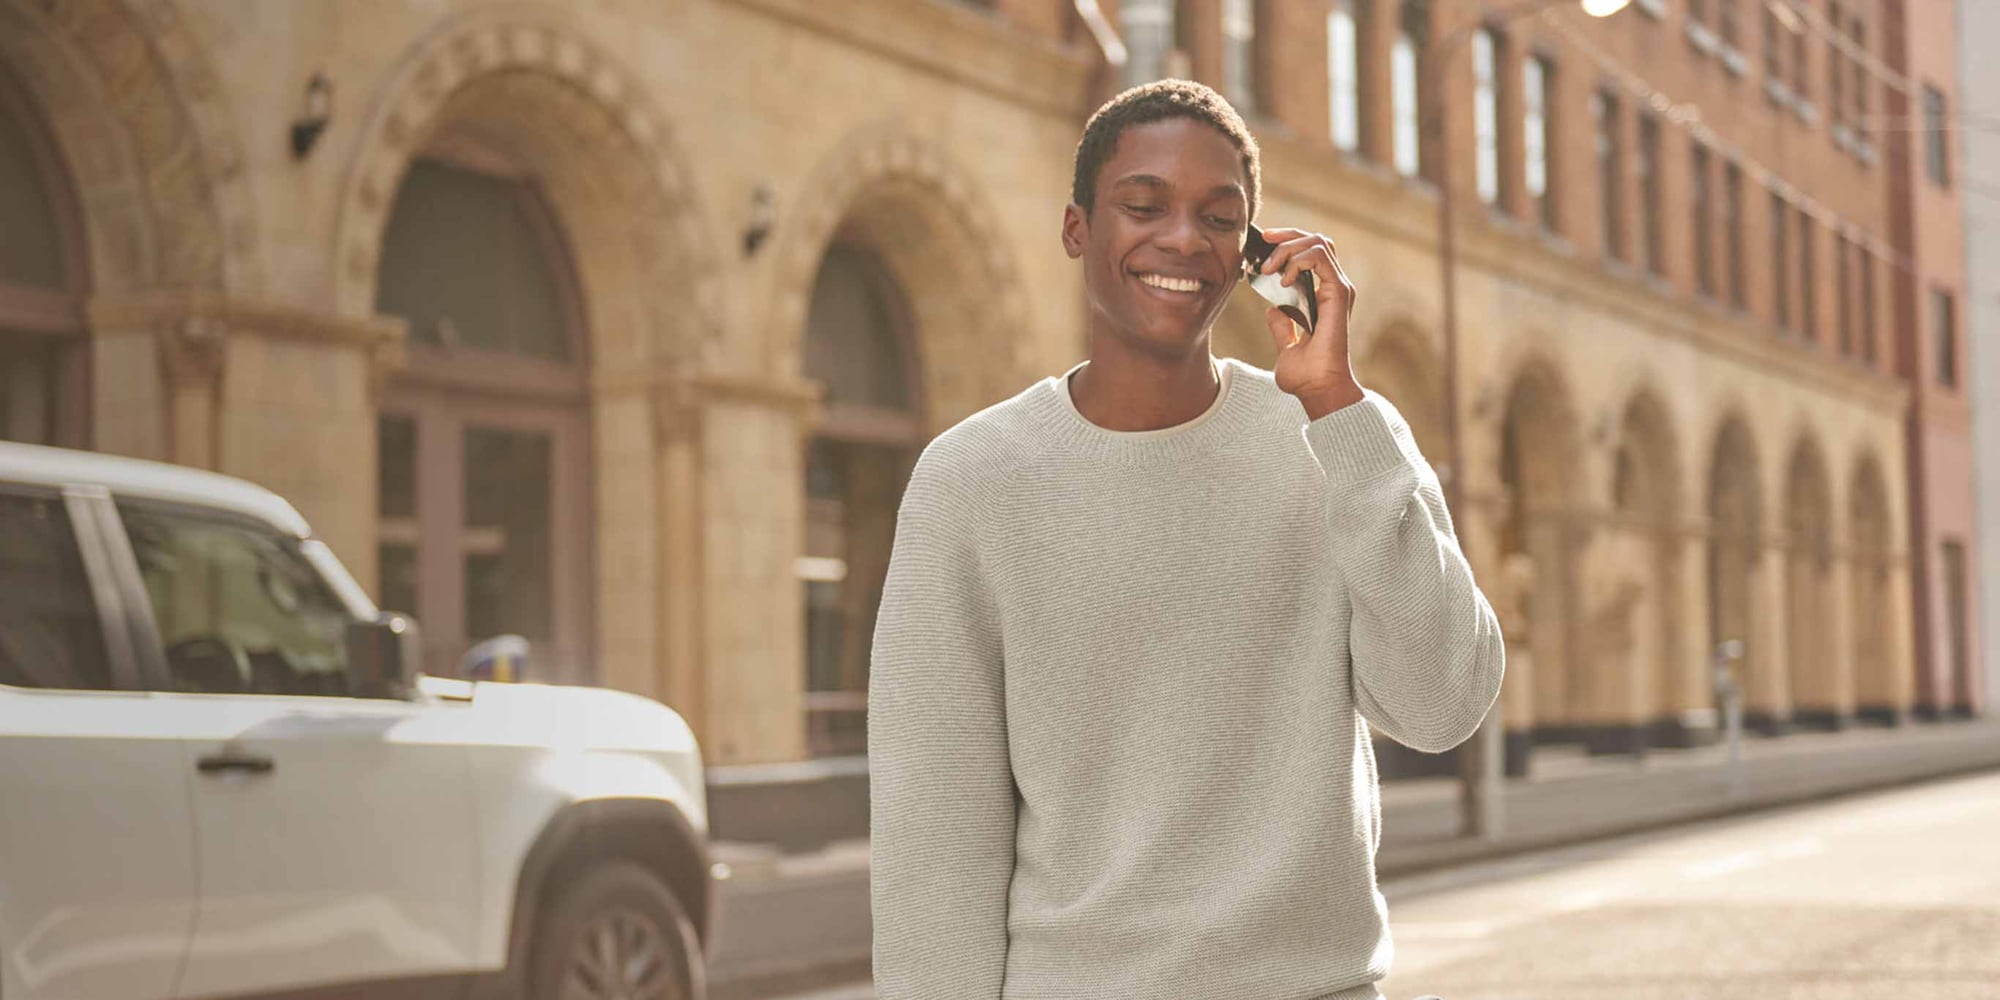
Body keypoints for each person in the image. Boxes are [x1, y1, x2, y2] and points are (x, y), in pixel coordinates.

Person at [867, 79, 1505, 1000]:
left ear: (1251, 254)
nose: (1181, 238)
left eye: (1219, 216)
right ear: (1078, 228)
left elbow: (1444, 704)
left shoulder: (1338, 442)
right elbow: (935, 829)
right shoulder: (971, 480)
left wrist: (1333, 403)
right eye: (1143, 204)